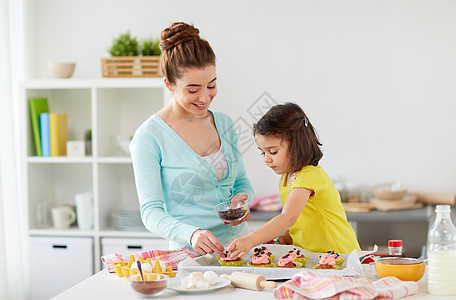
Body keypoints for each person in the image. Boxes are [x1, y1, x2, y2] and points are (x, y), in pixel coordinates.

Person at [129, 22, 254, 257]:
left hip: (241, 247)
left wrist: (242, 201)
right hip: (190, 256)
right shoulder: (148, 137)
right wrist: (192, 234)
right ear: (169, 84)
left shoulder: (224, 124)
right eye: (193, 89)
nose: (205, 97)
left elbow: (241, 182)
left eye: (212, 85)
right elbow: (150, 212)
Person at [227, 102, 360, 258]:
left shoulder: (308, 176)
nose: (267, 159)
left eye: (273, 151)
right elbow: (302, 218)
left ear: (297, 145)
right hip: (317, 258)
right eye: (263, 153)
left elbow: (288, 217)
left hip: (340, 255)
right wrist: (288, 236)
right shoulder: (287, 177)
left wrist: (250, 239)